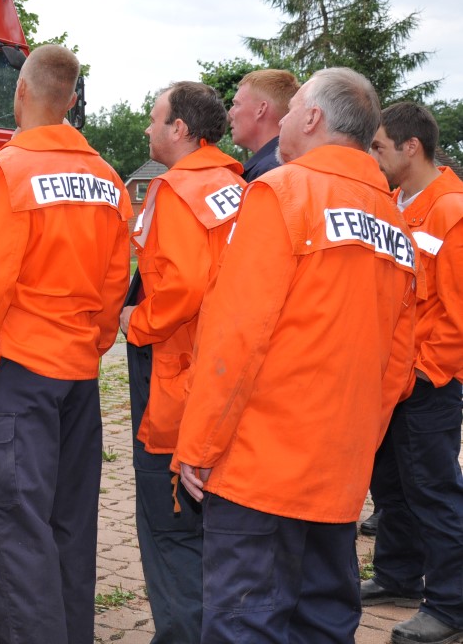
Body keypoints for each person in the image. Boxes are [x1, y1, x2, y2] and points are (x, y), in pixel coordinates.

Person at [175, 67, 417, 643]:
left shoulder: (282, 193)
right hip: (338, 474)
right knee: (323, 624)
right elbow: (396, 362)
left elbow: (237, 336)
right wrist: (356, 444)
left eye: (290, 111)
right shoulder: (395, 221)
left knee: (244, 625)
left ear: (312, 119)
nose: (279, 120)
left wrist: (199, 446)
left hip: (260, 470)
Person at [0, 45, 132, 644]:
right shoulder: (109, 179)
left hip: (16, 369)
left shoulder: (8, 171)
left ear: (21, 94)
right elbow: (117, 280)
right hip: (78, 373)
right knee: (69, 520)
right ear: (72, 101)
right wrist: (91, 342)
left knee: (16, 524)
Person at [119, 81, 244, 643]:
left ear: (180, 129)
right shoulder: (237, 185)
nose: (147, 129)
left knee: (169, 525)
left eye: (154, 118)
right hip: (224, 373)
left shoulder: (175, 190)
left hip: (177, 376)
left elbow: (184, 284)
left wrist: (136, 323)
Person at [362, 102, 463, 644]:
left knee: (434, 492)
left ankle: (451, 605)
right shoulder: (396, 202)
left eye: (378, 147)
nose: (372, 156)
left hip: (427, 384)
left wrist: (427, 371)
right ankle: (399, 576)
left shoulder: (451, 209)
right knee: (393, 489)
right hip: (393, 379)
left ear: (410, 147)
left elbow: (458, 311)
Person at [228, 68, 300, 181]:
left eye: (237, 104)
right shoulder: (291, 161)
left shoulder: (268, 172)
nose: (230, 113)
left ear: (261, 110)